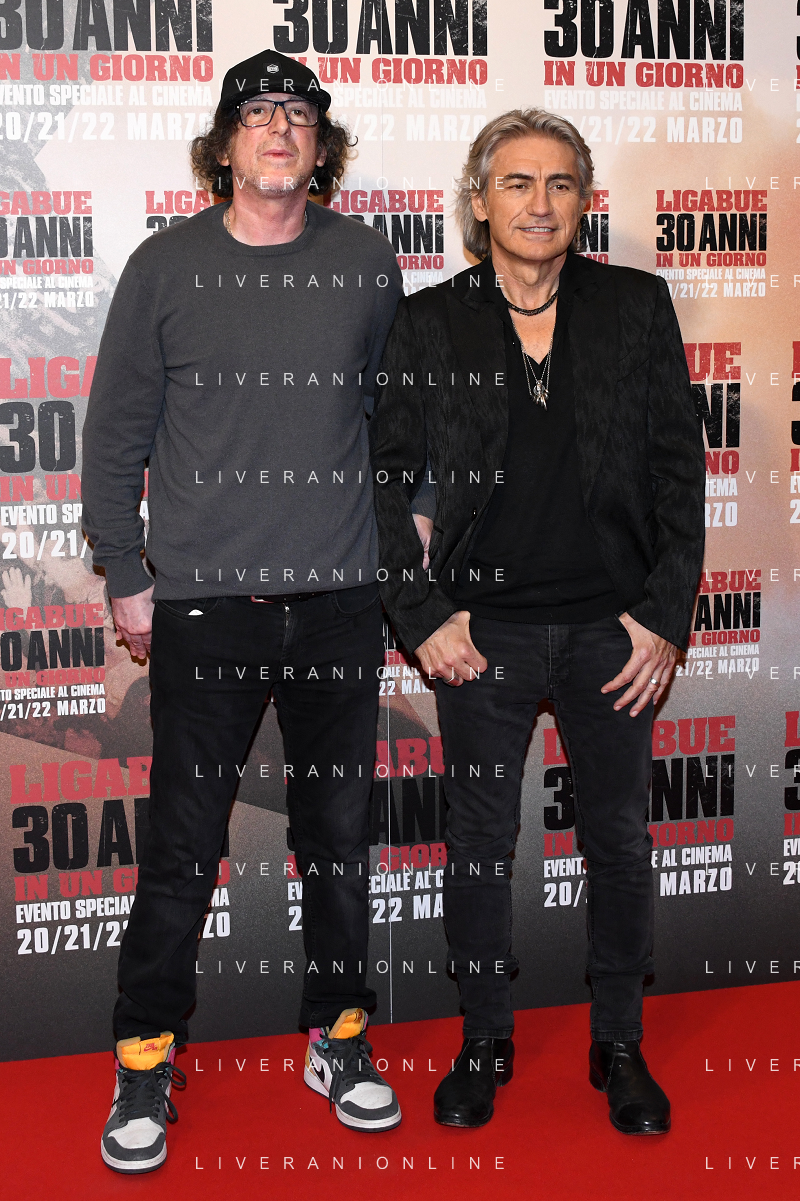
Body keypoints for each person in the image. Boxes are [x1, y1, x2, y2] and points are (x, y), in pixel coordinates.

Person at [82, 49, 405, 1175]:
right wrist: (125, 573)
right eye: (257, 113)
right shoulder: (164, 267)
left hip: (339, 605)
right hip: (205, 608)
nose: (278, 129)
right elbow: (114, 433)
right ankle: (144, 1055)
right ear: (224, 146)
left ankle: (339, 1037)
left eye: (299, 116)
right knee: (182, 843)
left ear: (321, 149)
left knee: (338, 839)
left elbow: (392, 422)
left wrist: (403, 553)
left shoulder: (365, 263)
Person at [369, 109, 705, 1134]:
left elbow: (678, 474)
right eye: (515, 182)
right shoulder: (430, 322)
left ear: (583, 200)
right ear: (479, 201)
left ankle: (619, 1042)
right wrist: (422, 615)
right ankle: (483, 1039)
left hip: (613, 633)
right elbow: (382, 485)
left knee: (618, 839)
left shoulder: (635, 306)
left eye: (559, 183)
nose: (538, 202)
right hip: (486, 638)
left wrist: (663, 618)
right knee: (478, 842)